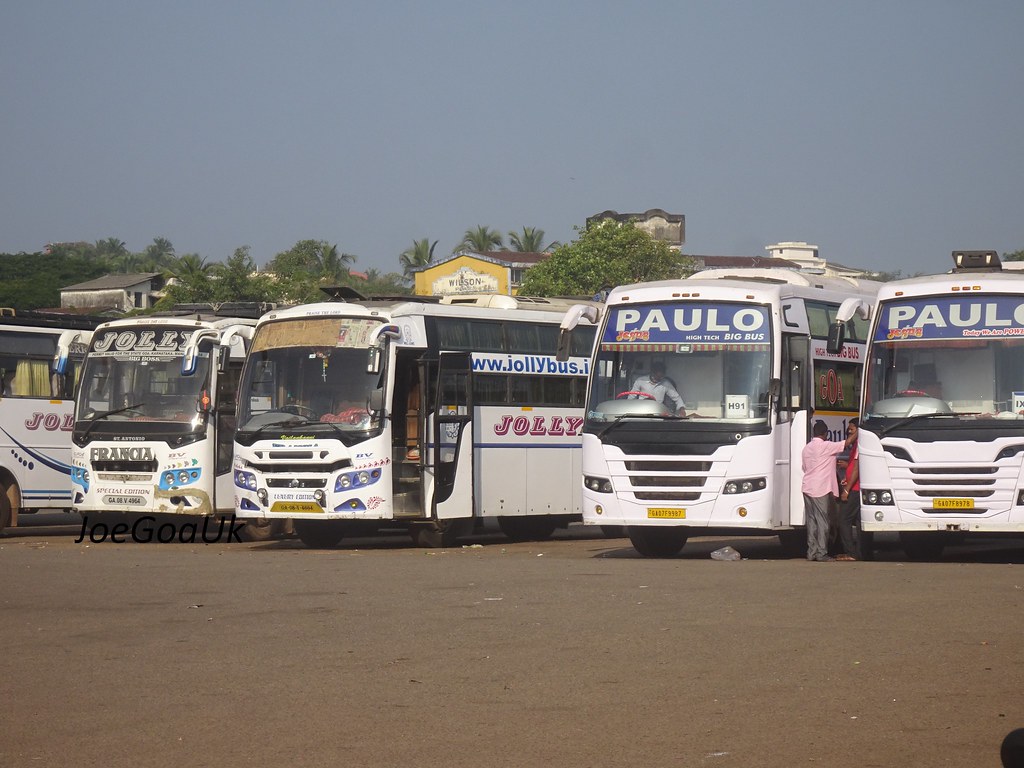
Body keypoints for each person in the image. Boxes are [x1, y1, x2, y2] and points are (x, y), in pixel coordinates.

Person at [801, 419, 855, 562]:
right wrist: (860, 431)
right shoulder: (826, 446)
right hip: (820, 488)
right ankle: (821, 553)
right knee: (823, 521)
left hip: (807, 486)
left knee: (812, 522)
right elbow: (847, 443)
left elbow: (804, 467)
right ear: (825, 434)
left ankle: (811, 552)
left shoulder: (806, 448)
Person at [836, 418, 861, 560]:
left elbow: (857, 469)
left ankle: (850, 553)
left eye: (851, 429)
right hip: (854, 485)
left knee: (844, 519)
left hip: (854, 488)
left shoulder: (859, 445)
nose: (849, 432)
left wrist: (846, 489)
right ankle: (861, 552)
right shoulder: (857, 446)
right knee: (858, 521)